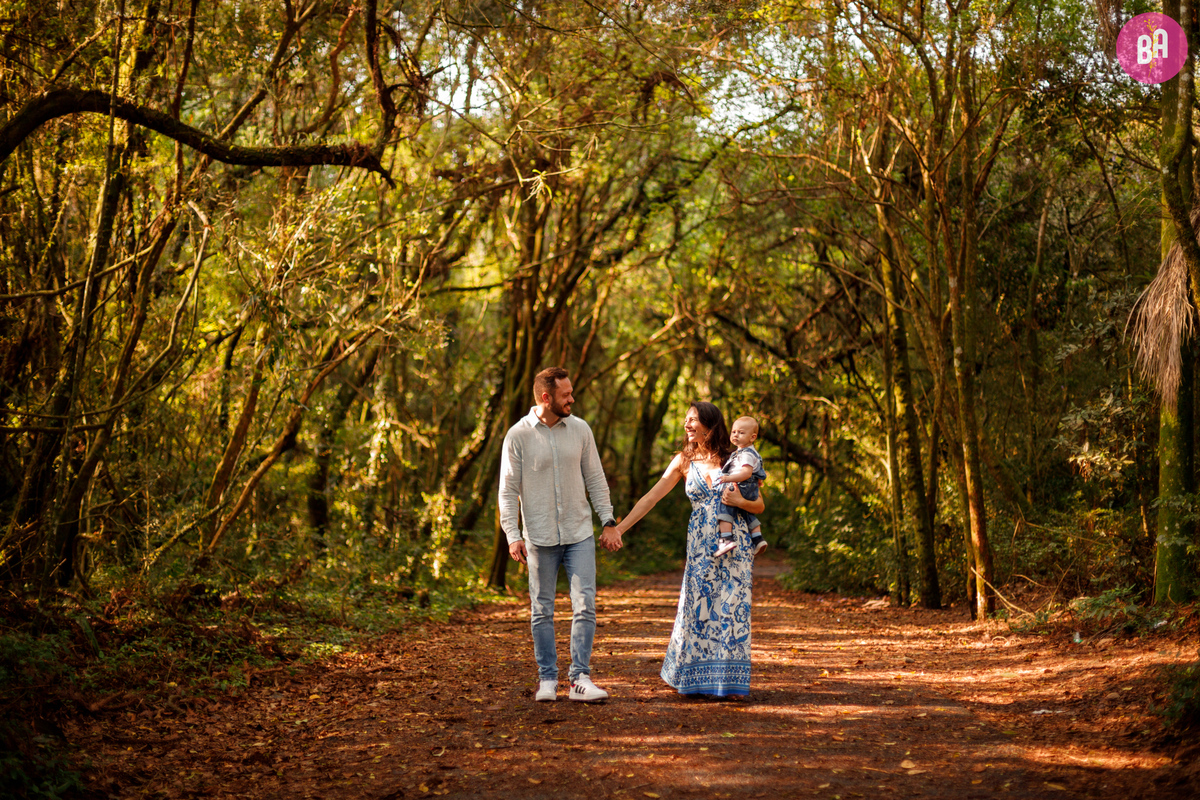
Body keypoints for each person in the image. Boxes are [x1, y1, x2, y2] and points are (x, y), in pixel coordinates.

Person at [600, 401, 764, 698]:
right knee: (698, 606)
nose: (687, 425)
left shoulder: (737, 457)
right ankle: (693, 679)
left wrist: (740, 503)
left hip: (735, 542)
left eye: (693, 420)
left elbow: (759, 504)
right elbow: (651, 498)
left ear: (710, 424)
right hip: (701, 544)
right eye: (686, 420)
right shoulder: (683, 461)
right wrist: (619, 528)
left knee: (732, 609)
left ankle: (728, 683)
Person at [499, 367, 620, 703]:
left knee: (585, 605)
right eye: (566, 395)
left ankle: (580, 678)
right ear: (545, 397)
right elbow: (507, 491)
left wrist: (607, 520)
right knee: (542, 610)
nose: (572, 399)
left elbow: (595, 479)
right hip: (538, 536)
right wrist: (512, 534)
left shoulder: (580, 430)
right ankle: (548, 679)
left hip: (579, 532)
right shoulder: (518, 436)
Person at [713, 416, 768, 558]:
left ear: (752, 437)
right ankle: (757, 538)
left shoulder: (746, 454)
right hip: (750, 487)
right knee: (748, 512)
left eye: (741, 432)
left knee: (725, 505)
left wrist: (728, 478)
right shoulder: (745, 452)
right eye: (734, 432)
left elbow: (746, 472)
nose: (736, 435)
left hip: (741, 485)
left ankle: (726, 539)